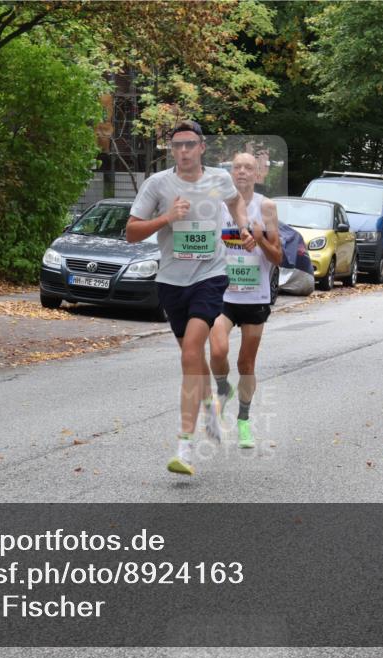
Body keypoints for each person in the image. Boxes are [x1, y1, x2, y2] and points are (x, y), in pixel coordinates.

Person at [126, 120, 251, 476]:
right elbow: (132, 232)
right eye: (177, 145)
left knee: (193, 352)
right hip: (171, 281)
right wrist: (166, 217)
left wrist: (241, 226)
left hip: (210, 276)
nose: (183, 151)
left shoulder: (219, 179)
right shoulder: (157, 184)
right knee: (191, 359)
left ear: (201, 148)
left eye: (189, 144)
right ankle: (211, 404)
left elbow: (236, 203)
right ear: (173, 149)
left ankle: (184, 447)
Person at [209, 153, 283, 449]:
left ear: (258, 174)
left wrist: (260, 238)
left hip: (255, 295)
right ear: (230, 173)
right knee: (217, 349)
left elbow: (278, 257)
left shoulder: (266, 207)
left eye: (248, 167)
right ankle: (222, 388)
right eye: (236, 167)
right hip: (222, 293)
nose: (241, 171)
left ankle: (243, 420)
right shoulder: (216, 205)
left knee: (246, 363)